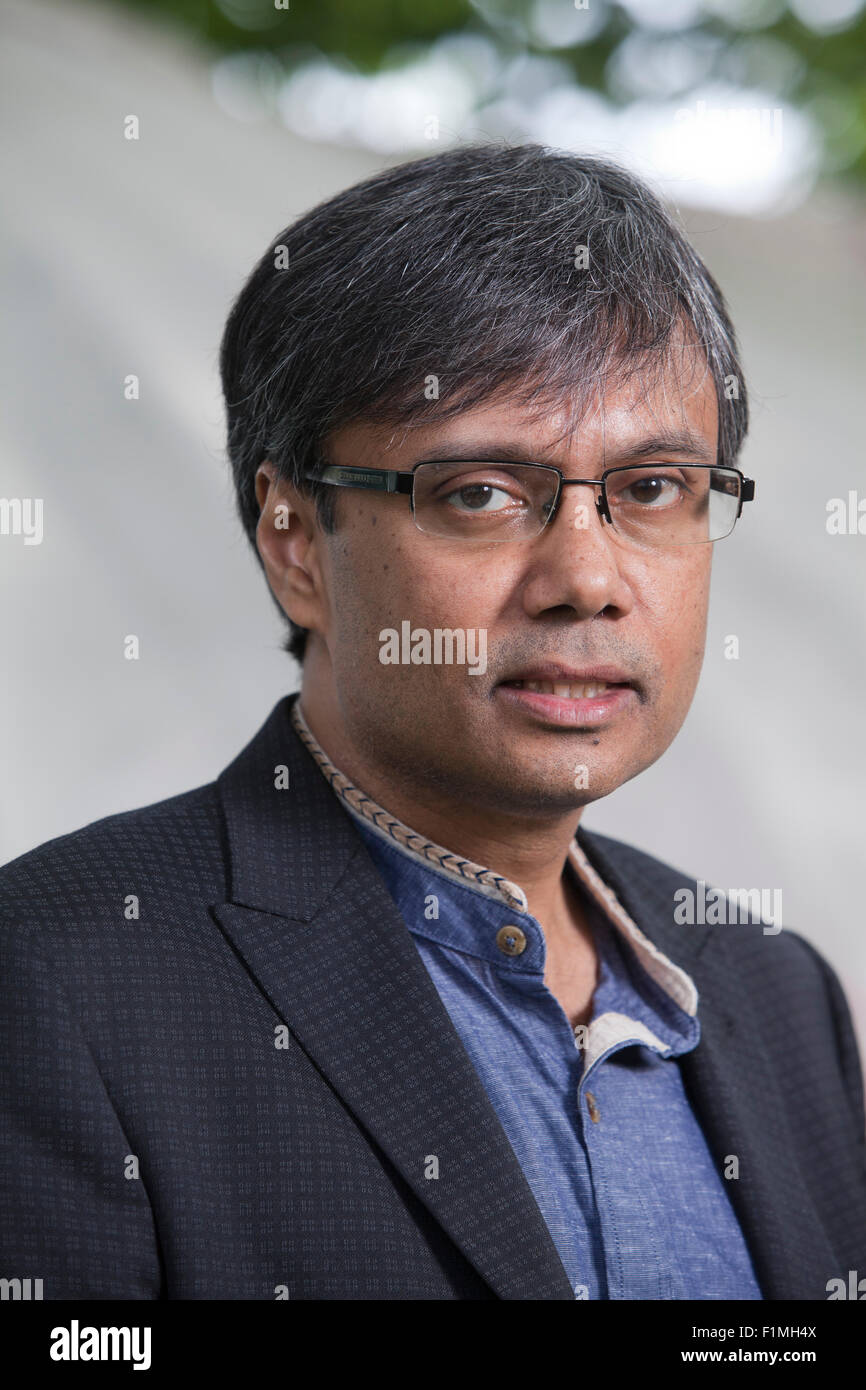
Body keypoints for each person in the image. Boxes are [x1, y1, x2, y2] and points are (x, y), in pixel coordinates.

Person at [2, 143, 864, 1301]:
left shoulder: (773, 992)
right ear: (295, 538)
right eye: (479, 495)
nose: (586, 579)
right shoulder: (60, 973)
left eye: (652, 488)